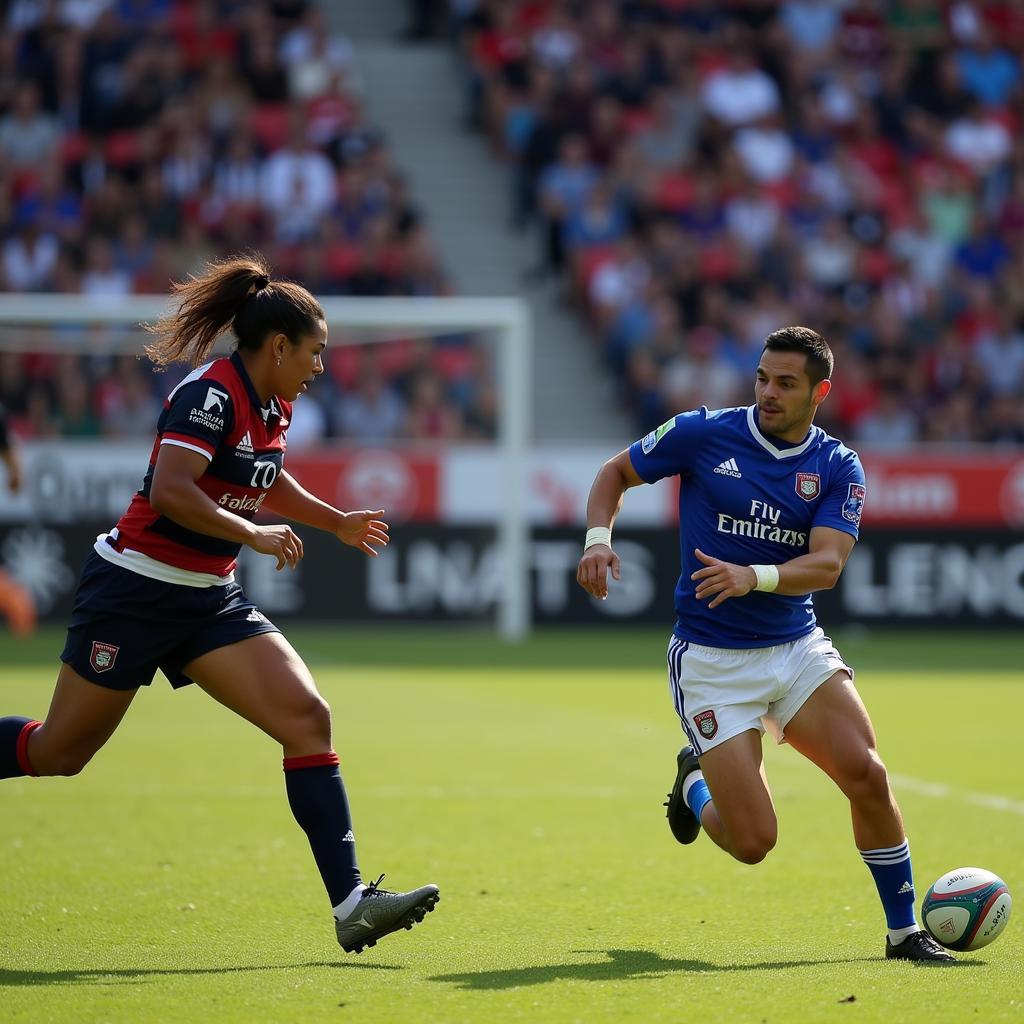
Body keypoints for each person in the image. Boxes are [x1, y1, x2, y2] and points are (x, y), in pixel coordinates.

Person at [0, 254, 439, 955]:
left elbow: (264, 475)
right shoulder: (209, 394)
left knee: (308, 718)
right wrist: (253, 533)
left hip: (207, 600)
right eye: (315, 351)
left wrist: (336, 522)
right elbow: (174, 489)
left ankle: (352, 902)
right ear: (278, 347)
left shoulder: (275, 401)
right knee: (60, 752)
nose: (321, 366)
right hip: (135, 589)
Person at [576, 326, 954, 964]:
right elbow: (615, 473)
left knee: (867, 772)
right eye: (761, 378)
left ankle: (903, 932)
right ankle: (696, 784)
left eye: (786, 384)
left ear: (819, 393)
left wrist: (755, 577)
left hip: (795, 647)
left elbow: (828, 565)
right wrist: (596, 540)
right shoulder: (703, 433)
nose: (768, 393)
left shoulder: (837, 466)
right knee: (754, 842)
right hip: (712, 662)